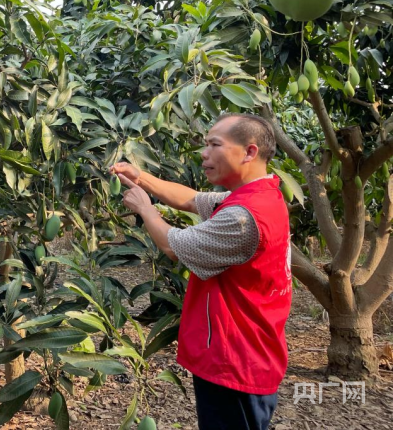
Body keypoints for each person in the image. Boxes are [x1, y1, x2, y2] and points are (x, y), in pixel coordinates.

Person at [111, 113, 291, 430]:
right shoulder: (256, 196)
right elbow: (191, 200)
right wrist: (141, 177)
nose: (204, 153)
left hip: (236, 360)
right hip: (242, 352)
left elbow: (172, 244)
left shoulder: (244, 218)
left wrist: (144, 208)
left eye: (214, 144)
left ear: (249, 152)